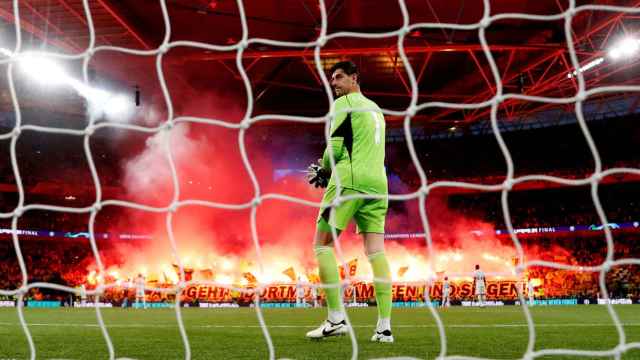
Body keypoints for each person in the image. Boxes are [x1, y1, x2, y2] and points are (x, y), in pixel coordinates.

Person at [305, 61, 392, 342]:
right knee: (376, 252)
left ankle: (336, 319)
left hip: (349, 182)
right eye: (332, 79)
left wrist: (324, 169)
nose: (335, 83)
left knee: (322, 245)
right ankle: (384, 327)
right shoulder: (377, 111)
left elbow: (336, 148)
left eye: (339, 77)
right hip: (378, 186)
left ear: (355, 78)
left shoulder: (344, 103)